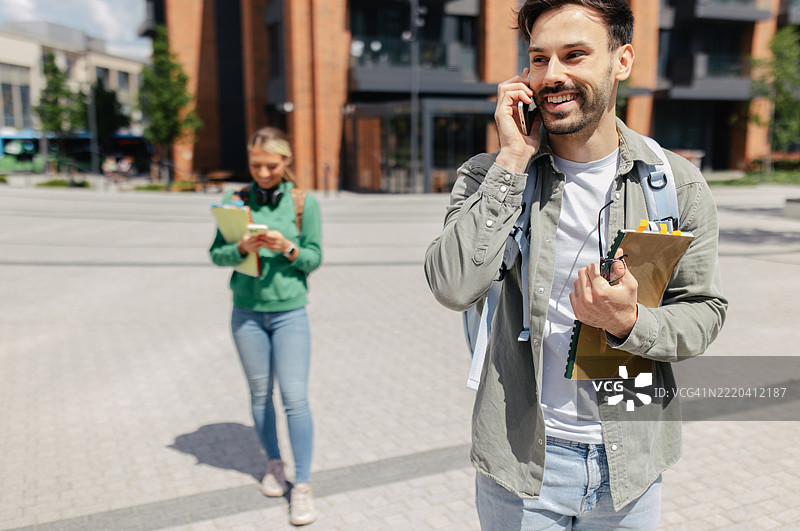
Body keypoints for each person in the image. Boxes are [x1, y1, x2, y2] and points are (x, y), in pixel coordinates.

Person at [424, 1, 727, 529]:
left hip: (629, 462)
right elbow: (452, 285)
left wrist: (630, 323)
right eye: (539, 59)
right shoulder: (489, 175)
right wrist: (513, 160)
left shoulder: (674, 184)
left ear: (622, 60)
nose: (553, 76)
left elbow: (704, 312)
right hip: (523, 463)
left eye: (575, 55)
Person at [209, 127, 322, 526]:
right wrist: (240, 246)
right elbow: (217, 255)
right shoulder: (235, 201)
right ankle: (274, 464)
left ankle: (303, 485)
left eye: (270, 165)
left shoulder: (302, 203)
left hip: (290, 312)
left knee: (295, 398)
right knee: (260, 394)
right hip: (246, 312)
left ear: (286, 162)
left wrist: (286, 247)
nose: (262, 172)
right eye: (256, 165)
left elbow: (313, 258)